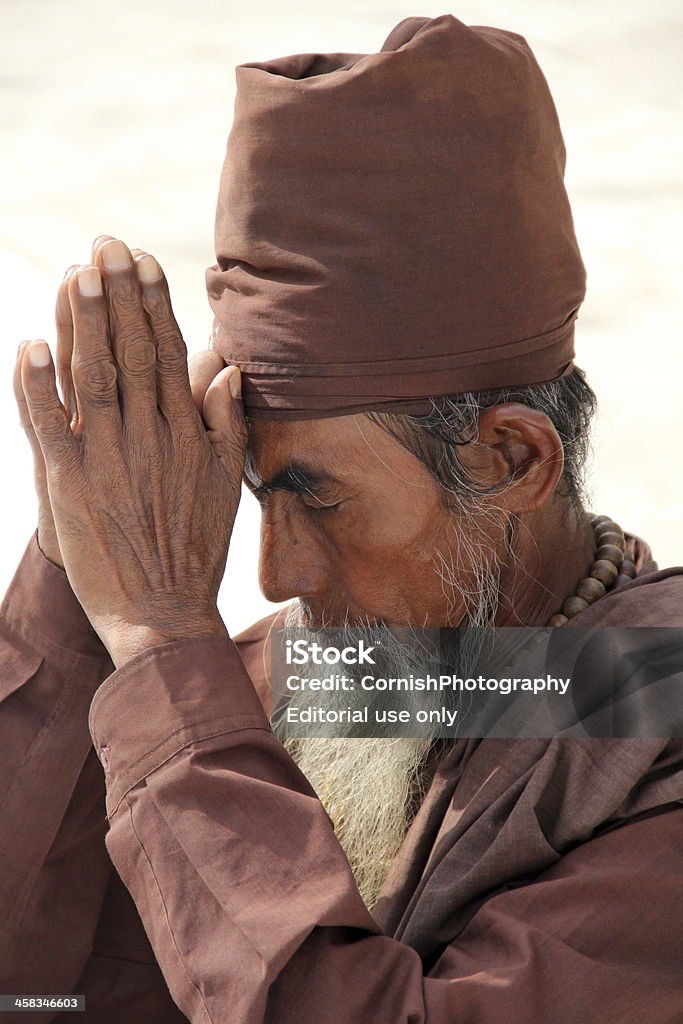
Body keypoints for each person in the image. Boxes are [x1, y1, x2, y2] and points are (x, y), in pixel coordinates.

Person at [1, 14, 681, 1024]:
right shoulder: (308, 674)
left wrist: (161, 646)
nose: (275, 576)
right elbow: (35, 983)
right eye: (251, 491)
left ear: (510, 461)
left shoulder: (652, 721)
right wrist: (87, 577)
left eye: (315, 495)